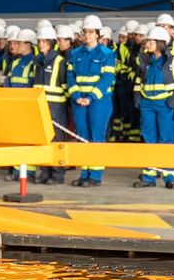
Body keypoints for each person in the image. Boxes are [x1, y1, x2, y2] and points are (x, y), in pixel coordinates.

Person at [133, 26, 174, 189]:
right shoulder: (144, 61)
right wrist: (138, 100)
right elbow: (138, 82)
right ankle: (149, 176)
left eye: (150, 42)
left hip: (165, 106)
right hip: (147, 106)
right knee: (149, 140)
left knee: (166, 141)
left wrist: (171, 103)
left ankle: (170, 177)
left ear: (161, 43)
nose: (147, 45)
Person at [67, 14, 116, 186]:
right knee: (82, 136)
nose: (87, 35)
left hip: (99, 102)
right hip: (80, 101)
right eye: (85, 32)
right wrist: (77, 97)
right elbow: (70, 76)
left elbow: (107, 79)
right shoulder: (75, 53)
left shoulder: (107, 54)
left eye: (90, 32)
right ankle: (84, 172)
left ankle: (95, 176)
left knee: (96, 136)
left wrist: (91, 97)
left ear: (97, 34)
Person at [33, 25, 70, 186]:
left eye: (44, 41)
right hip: (41, 106)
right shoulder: (39, 61)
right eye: (40, 41)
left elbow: (65, 86)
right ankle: (45, 170)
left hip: (56, 108)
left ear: (52, 43)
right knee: (42, 139)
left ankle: (57, 173)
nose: (41, 44)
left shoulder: (59, 61)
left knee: (56, 139)